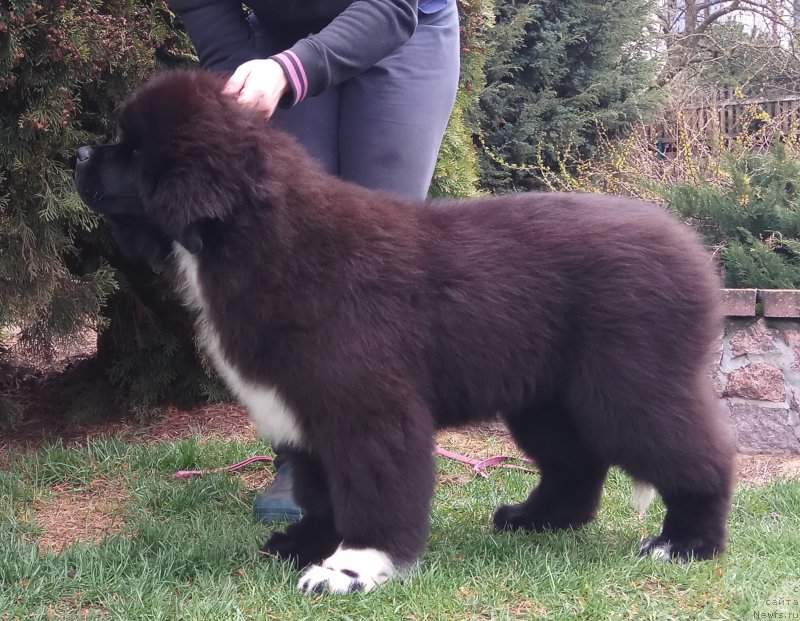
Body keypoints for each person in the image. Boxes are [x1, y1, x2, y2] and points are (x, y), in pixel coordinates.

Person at [167, 0, 461, 522]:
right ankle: (300, 456)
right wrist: (249, 78)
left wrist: (290, 71)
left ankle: (379, 457)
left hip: (402, 23)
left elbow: (392, 9)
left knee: (375, 257)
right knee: (286, 252)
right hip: (278, 34)